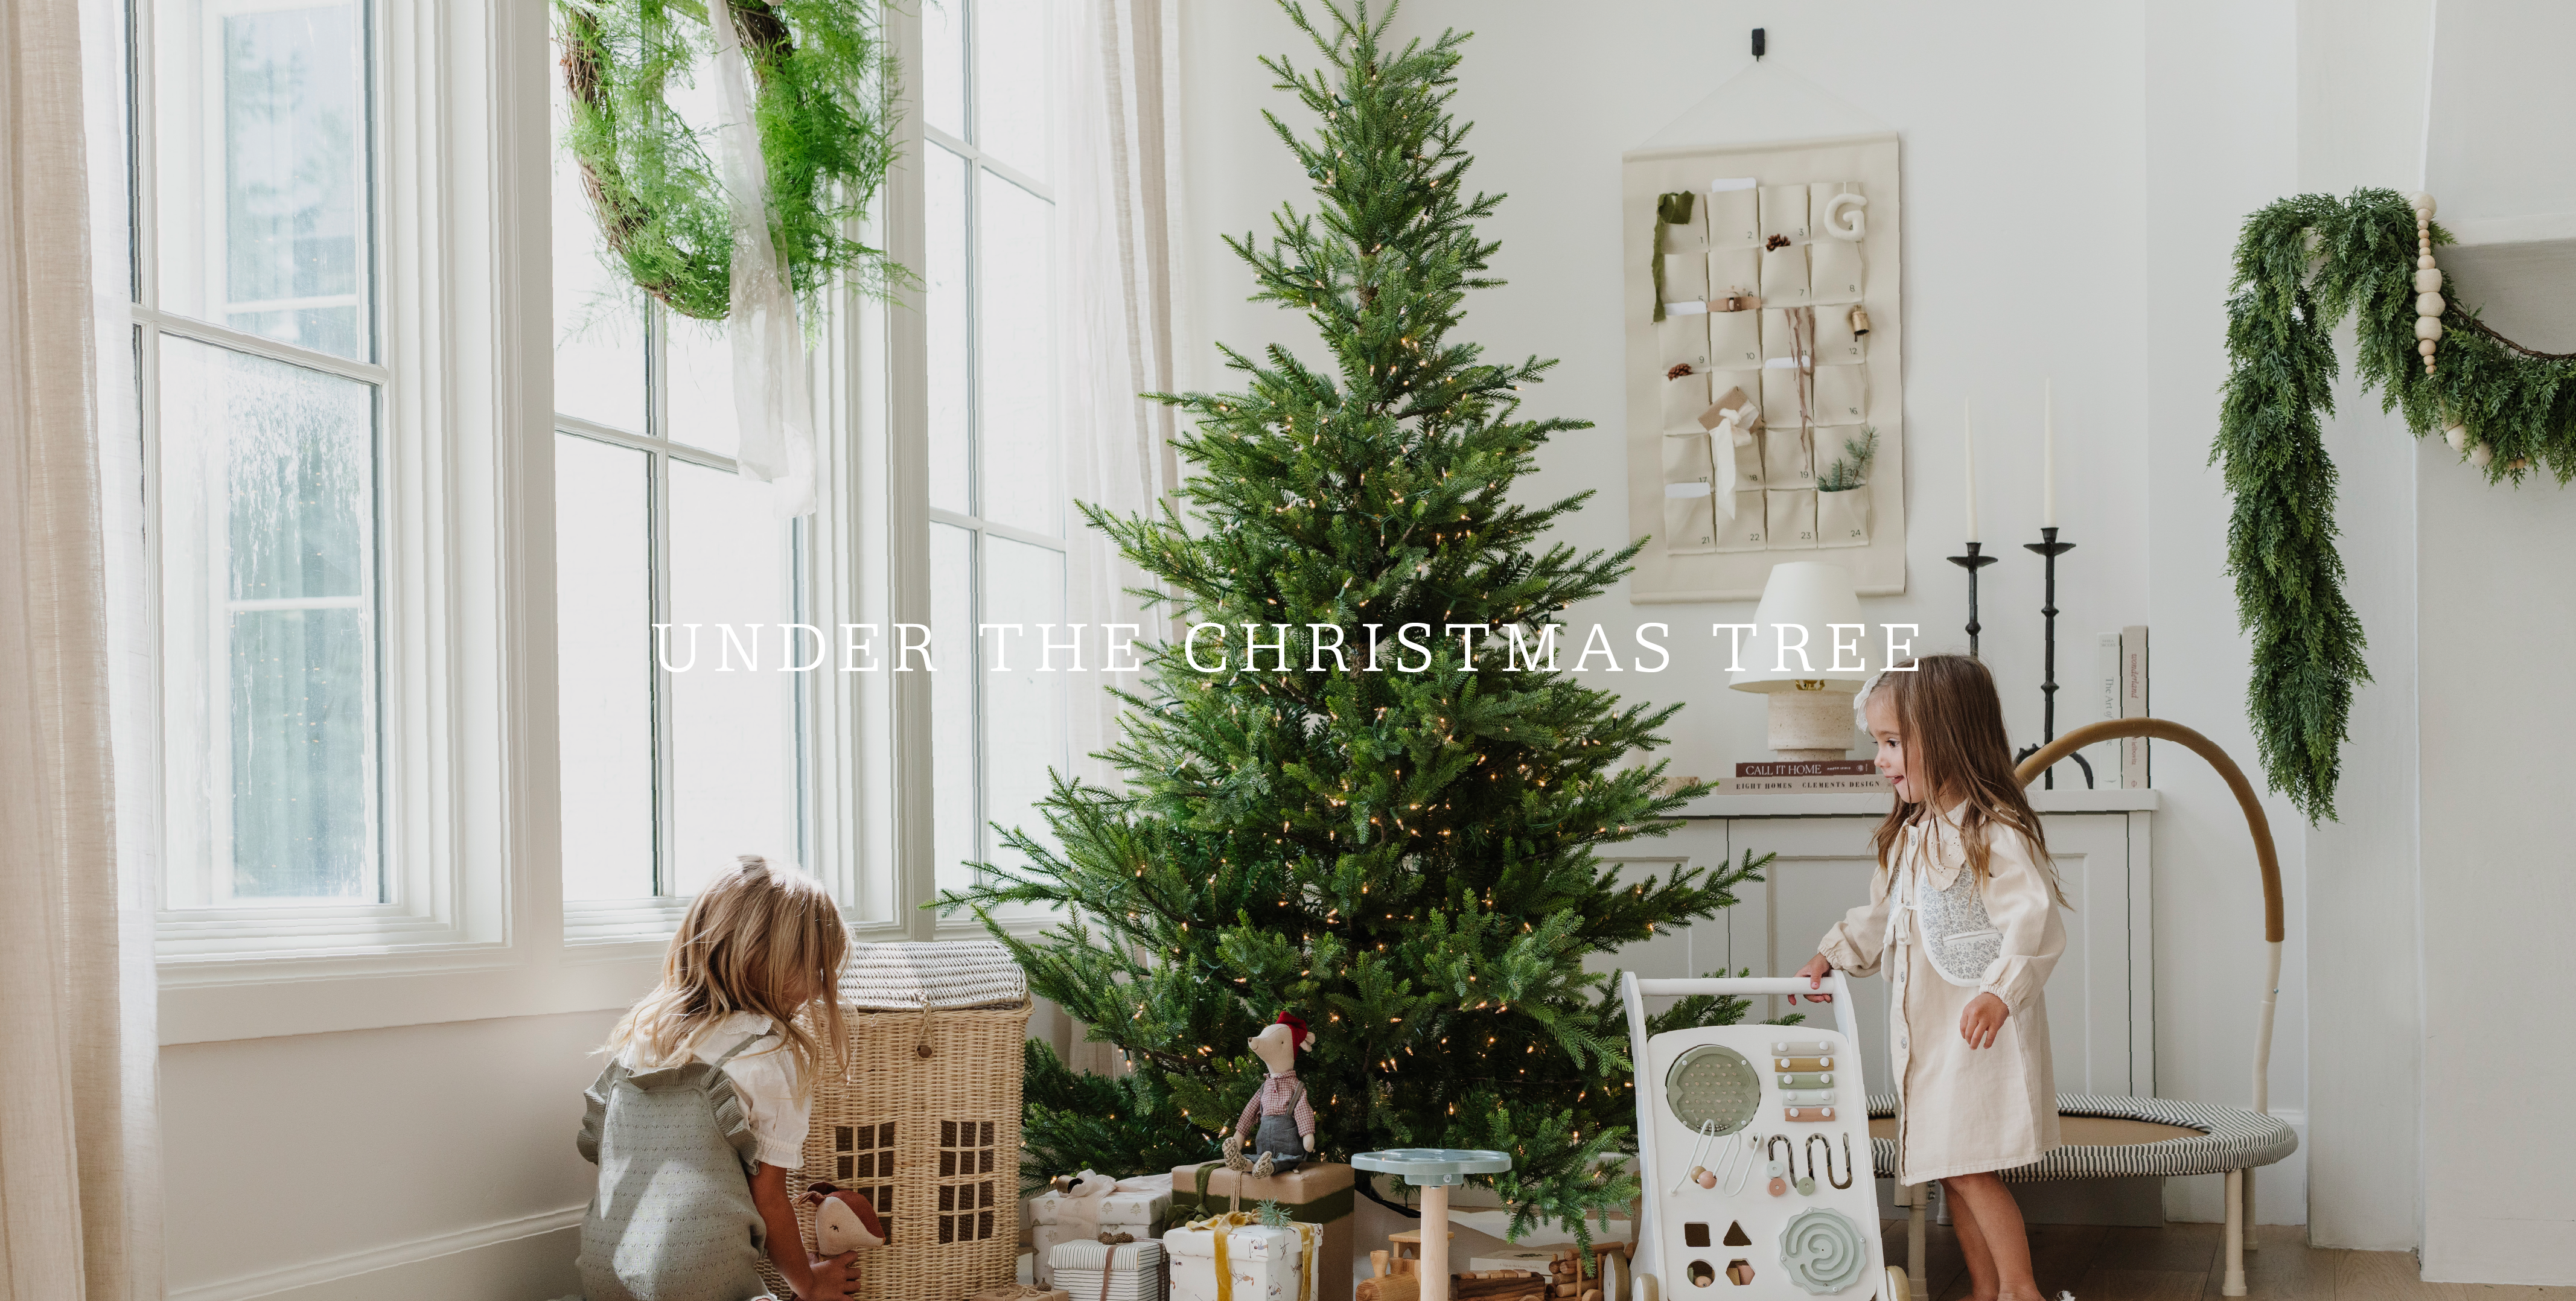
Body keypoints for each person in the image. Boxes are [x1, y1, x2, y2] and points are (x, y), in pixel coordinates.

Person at [1795, 655, 2070, 1301]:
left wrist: (2000, 992)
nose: (1880, 760)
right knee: (1949, 1167)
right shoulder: (1912, 835)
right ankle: (1984, 1288)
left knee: (1970, 1165)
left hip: (1974, 1031)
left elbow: (2033, 920)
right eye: (1877, 744)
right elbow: (1882, 914)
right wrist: (1832, 952)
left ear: (1948, 737)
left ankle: (2021, 1289)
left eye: (1892, 743)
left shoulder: (1992, 831)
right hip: (1926, 1034)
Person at [572, 856, 859, 1301]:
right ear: (766, 962)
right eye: (817, 971)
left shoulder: (643, 1038)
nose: (823, 988)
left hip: (605, 1273)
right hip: (704, 1287)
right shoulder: (766, 1055)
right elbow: (771, 1201)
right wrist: (809, 1283)